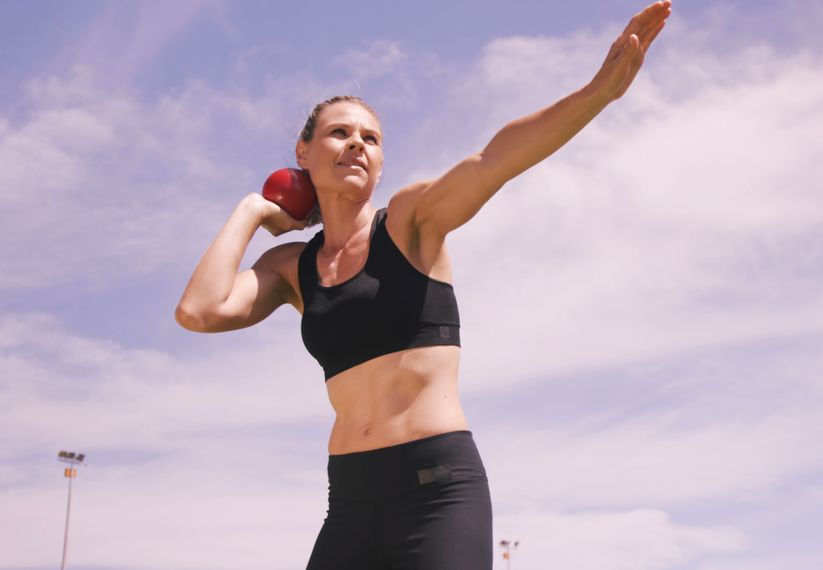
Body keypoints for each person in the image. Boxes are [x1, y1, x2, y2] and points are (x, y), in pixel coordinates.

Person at [174, 2, 671, 568]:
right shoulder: (292, 269)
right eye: (340, 134)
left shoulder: (410, 222)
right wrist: (250, 212)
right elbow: (199, 310)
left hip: (436, 490)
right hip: (350, 501)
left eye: (371, 138)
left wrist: (596, 94)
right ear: (303, 155)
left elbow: (493, 161)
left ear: (381, 163)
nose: (358, 144)